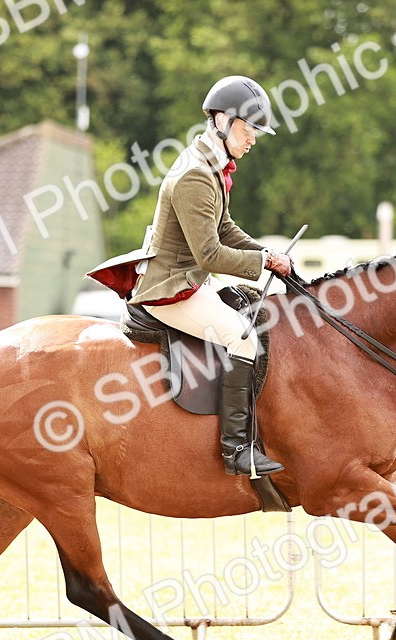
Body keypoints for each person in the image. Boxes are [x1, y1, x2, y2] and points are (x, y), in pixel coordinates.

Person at [128, 76, 294, 476]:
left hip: (191, 279)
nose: (253, 137)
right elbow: (210, 253)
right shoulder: (195, 175)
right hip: (171, 288)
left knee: (252, 310)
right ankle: (237, 450)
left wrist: (265, 252)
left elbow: (225, 228)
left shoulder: (210, 165)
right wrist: (261, 264)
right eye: (248, 128)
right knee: (243, 340)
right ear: (222, 120)